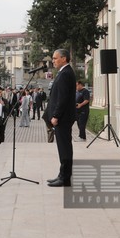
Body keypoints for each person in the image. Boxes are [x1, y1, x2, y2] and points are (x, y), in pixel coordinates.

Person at [44, 49, 76, 187]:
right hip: (63, 117)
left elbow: (62, 98)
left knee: (64, 148)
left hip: (63, 118)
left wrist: (56, 115)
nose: (53, 61)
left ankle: (65, 178)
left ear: (64, 58)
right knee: (63, 147)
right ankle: (62, 174)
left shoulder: (65, 74)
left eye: (55, 58)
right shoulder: (64, 72)